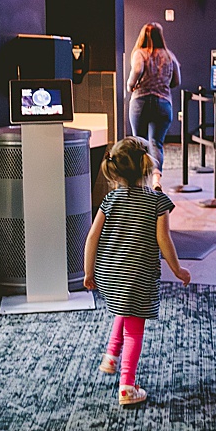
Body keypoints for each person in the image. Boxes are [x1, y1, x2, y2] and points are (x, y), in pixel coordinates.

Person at [84, 136, 191, 407]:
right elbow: (164, 241)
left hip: (110, 274)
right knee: (134, 328)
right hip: (138, 275)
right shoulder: (158, 203)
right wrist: (177, 270)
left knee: (124, 307)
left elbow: (92, 237)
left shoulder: (110, 199)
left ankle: (111, 355)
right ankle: (127, 387)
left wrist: (88, 272)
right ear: (147, 166)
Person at [126, 22, 181, 182]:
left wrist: (131, 85)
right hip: (163, 103)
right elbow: (177, 80)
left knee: (139, 142)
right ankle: (156, 179)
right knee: (156, 143)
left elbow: (137, 70)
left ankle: (139, 182)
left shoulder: (140, 53)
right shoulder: (169, 56)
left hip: (140, 102)